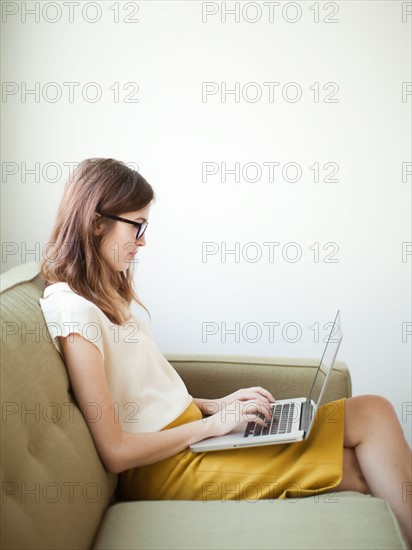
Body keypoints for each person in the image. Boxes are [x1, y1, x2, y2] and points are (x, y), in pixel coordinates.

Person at [39, 158, 411, 546]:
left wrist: (216, 405)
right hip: (168, 467)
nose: (143, 240)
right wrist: (213, 426)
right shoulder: (74, 313)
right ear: (97, 222)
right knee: (360, 465)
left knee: (373, 410)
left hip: (192, 437)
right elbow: (115, 451)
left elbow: (145, 395)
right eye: (138, 225)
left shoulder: (106, 294)